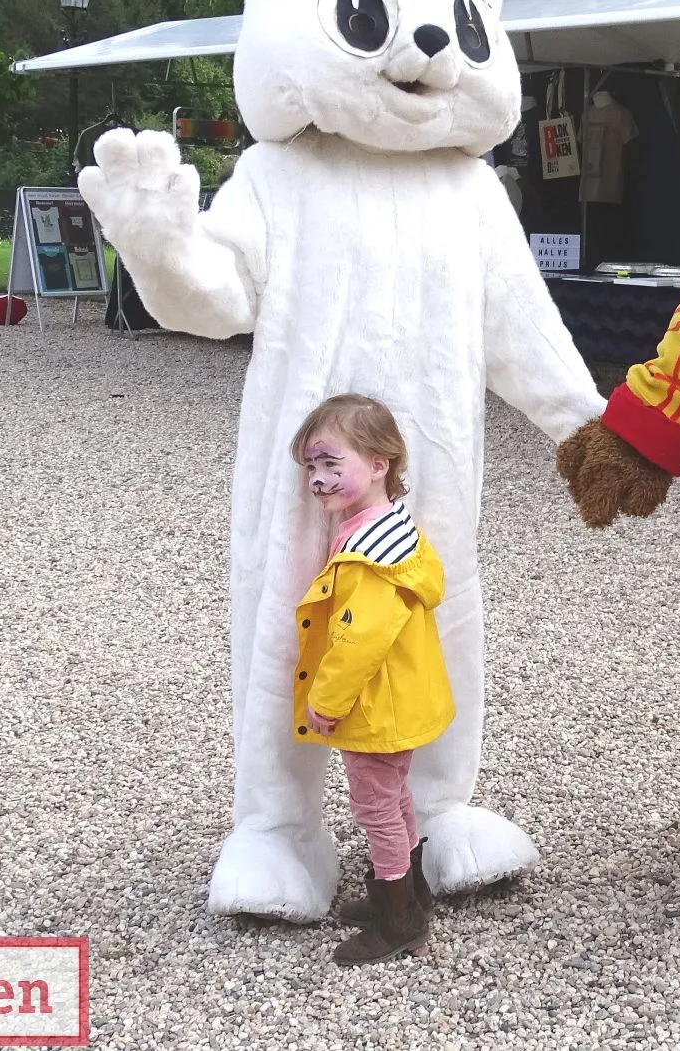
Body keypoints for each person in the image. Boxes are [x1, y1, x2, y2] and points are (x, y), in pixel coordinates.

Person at [288, 394, 453, 965]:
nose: (319, 479)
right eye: (312, 467)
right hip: (401, 699)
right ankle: (409, 892)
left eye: (333, 464)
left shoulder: (367, 556)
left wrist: (325, 701)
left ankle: (398, 920)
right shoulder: (392, 530)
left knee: (376, 806)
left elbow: (357, 640)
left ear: (381, 463)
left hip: (375, 706)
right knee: (395, 795)